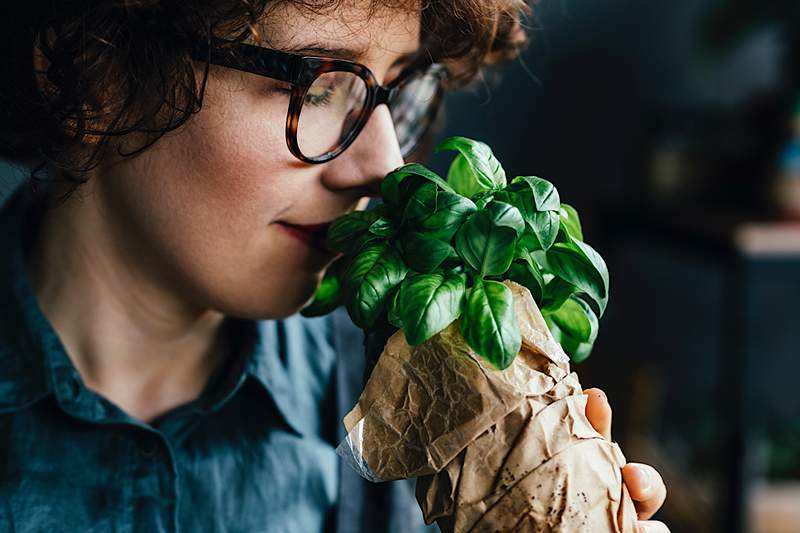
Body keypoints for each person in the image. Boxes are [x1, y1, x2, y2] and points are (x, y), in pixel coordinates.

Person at [0, 1, 667, 531]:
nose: (384, 164)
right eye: (316, 83)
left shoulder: (421, 412)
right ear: (99, 78)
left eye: (400, 86)